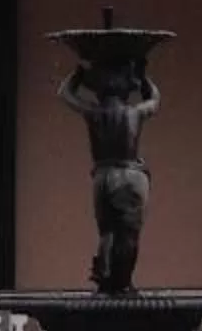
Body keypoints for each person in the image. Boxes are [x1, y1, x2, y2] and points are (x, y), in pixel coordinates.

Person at [59, 49, 160, 295]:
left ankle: (104, 279)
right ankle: (123, 284)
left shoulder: (93, 112)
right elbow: (155, 99)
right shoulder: (135, 112)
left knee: (106, 232)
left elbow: (64, 93)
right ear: (127, 89)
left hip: (103, 176)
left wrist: (78, 74)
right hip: (130, 174)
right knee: (129, 235)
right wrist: (143, 75)